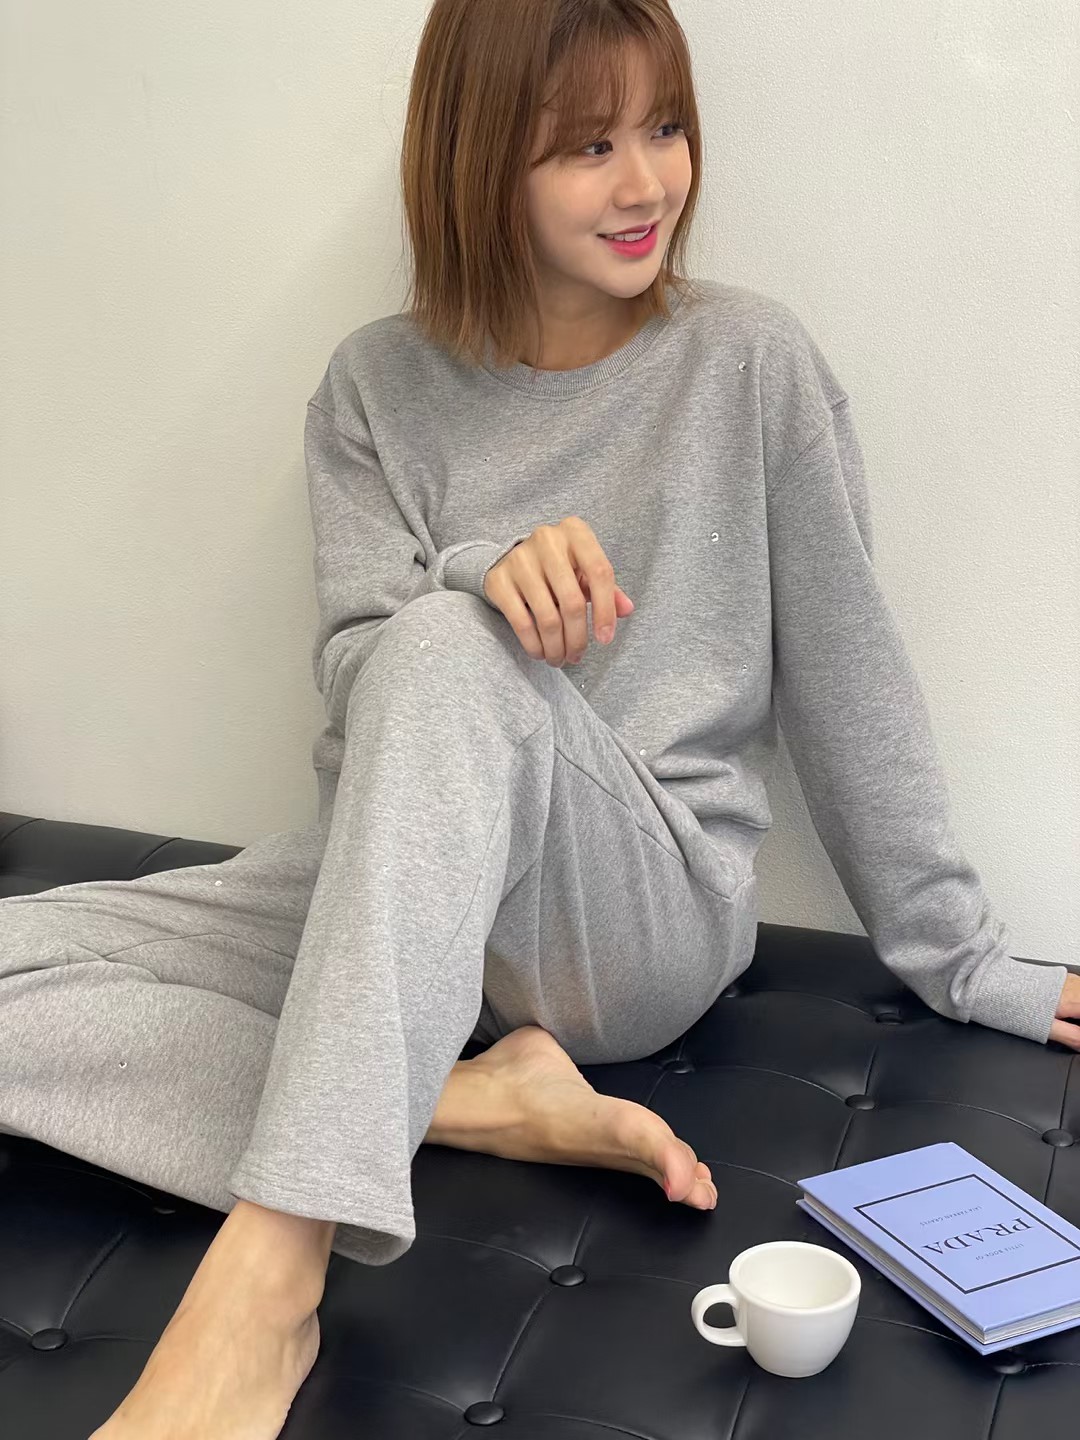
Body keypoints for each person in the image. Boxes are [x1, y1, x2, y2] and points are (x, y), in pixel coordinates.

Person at [2, 2, 1076, 1436]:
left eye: (665, 128)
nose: (646, 184)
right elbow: (358, 669)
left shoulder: (750, 366)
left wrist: (962, 956)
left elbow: (850, 680)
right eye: (586, 147)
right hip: (412, 905)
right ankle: (464, 1101)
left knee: (452, 645)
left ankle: (267, 1285)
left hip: (635, 917)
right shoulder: (373, 385)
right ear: (476, 157)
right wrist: (479, 572)